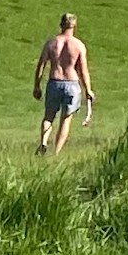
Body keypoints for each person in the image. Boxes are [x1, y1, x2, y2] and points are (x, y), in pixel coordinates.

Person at [36, 13, 92, 154]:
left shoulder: (51, 43)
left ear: (61, 24)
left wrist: (37, 85)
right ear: (74, 26)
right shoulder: (78, 45)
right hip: (71, 84)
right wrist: (88, 90)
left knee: (49, 116)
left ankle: (43, 142)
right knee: (65, 120)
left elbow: (41, 65)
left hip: (54, 82)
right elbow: (83, 70)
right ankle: (56, 153)